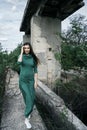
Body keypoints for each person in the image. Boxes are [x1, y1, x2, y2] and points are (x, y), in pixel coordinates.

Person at [17, 42, 40, 129]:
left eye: (28, 48)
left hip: (31, 81)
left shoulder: (33, 59)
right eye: (25, 48)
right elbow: (19, 62)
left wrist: (36, 82)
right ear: (23, 49)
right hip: (23, 81)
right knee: (28, 98)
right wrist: (21, 52)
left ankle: (28, 111)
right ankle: (26, 118)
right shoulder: (21, 57)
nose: (27, 49)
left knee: (31, 98)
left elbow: (35, 70)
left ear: (30, 49)